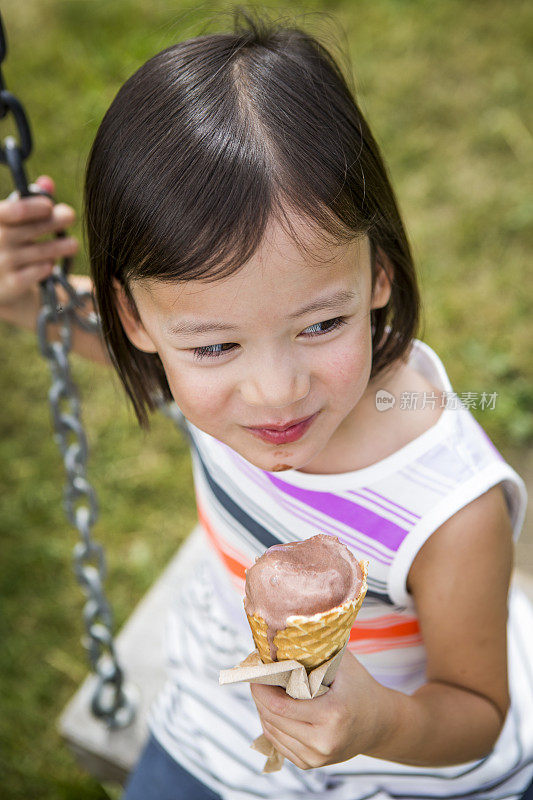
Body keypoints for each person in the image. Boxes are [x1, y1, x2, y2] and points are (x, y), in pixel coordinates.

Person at [1, 9, 532, 800]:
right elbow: (59, 318)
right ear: (140, 324)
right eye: (216, 346)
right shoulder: (202, 378)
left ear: (378, 274)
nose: (276, 391)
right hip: (215, 731)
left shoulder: (450, 511)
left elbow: (475, 710)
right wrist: (22, 290)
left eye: (321, 324)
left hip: (403, 763)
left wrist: (376, 724)